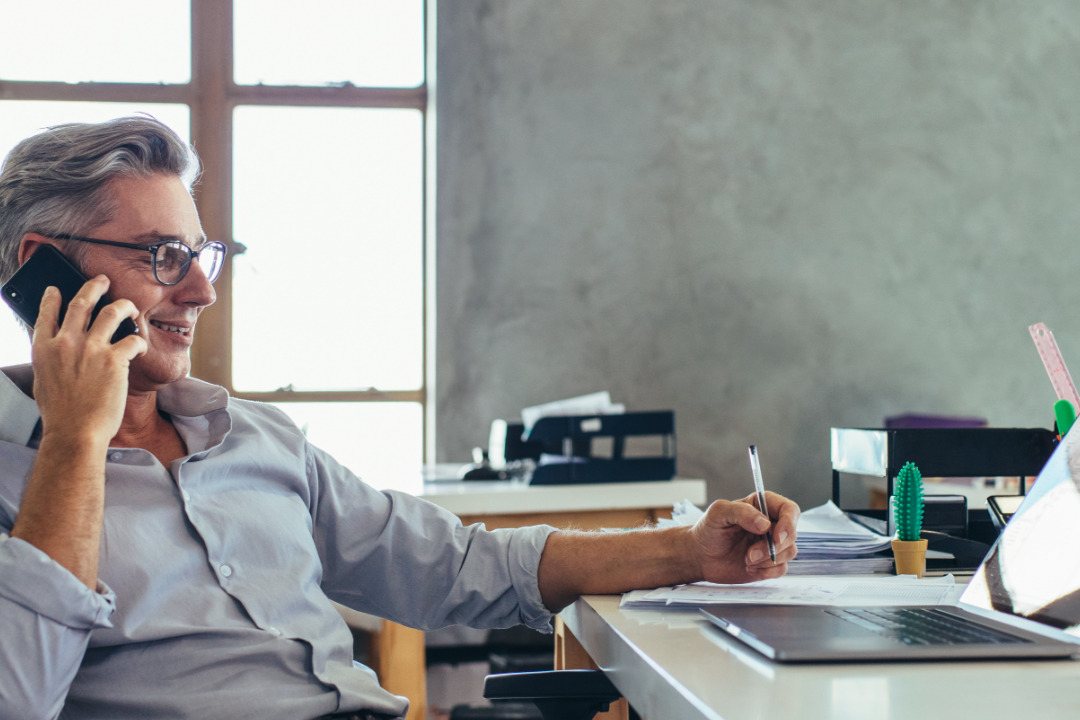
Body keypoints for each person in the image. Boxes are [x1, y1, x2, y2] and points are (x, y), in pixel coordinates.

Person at [0, 115, 800, 720]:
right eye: (161, 257)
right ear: (45, 268)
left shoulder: (252, 437)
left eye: (203, 256)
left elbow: (458, 569)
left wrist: (690, 548)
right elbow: (18, 698)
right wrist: (74, 442)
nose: (202, 292)